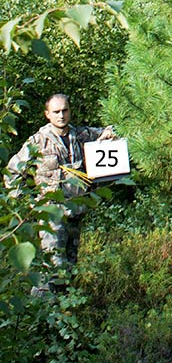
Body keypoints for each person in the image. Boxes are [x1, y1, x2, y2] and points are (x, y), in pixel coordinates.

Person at [7, 93, 115, 287]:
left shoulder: (82, 135)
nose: (61, 115)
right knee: (53, 270)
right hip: (51, 216)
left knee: (70, 270)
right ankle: (45, 310)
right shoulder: (38, 142)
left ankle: (63, 311)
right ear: (47, 114)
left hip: (75, 213)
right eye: (56, 111)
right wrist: (27, 203)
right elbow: (12, 172)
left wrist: (109, 135)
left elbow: (111, 132)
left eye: (65, 110)